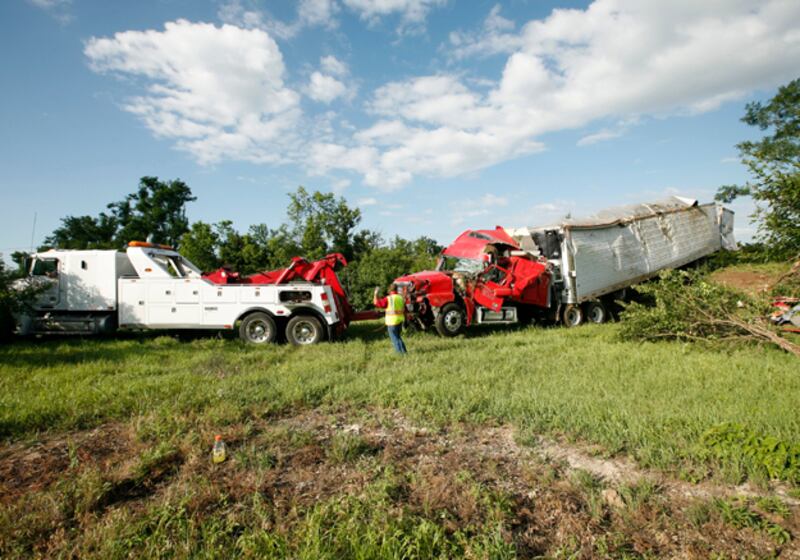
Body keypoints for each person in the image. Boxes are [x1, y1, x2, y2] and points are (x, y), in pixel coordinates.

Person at [373, 283, 407, 355]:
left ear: (389, 290)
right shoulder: (400, 298)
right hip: (400, 320)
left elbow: (377, 303)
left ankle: (400, 354)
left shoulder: (389, 298)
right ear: (396, 289)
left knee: (394, 338)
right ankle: (404, 352)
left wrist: (375, 294)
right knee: (398, 337)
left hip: (392, 322)